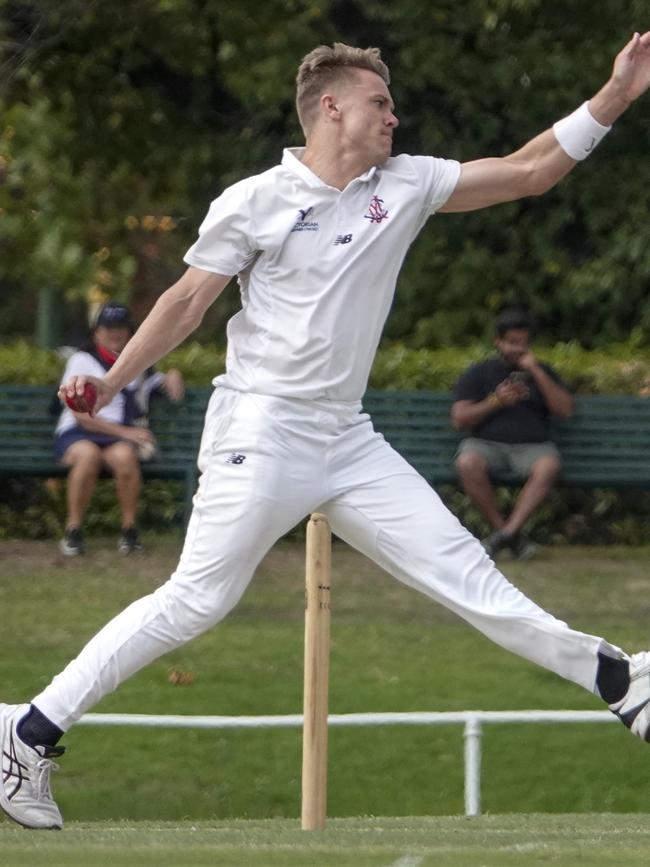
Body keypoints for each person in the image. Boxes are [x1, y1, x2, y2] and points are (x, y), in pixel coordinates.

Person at [2, 35, 650, 830]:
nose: (395, 115)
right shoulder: (255, 199)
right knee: (197, 600)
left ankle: (618, 680)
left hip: (348, 439)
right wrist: (110, 379)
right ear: (331, 107)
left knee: (468, 577)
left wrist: (616, 95)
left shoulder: (405, 184)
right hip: (261, 427)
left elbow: (530, 169)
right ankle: (25, 733)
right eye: (381, 102)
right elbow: (184, 303)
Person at [53, 301, 185, 556]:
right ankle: (74, 530)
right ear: (96, 332)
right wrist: (125, 433)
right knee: (87, 456)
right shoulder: (82, 361)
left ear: (131, 332)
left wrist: (173, 374)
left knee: (126, 458)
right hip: (80, 433)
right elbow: (80, 415)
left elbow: (163, 385)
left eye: (121, 328)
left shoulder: (138, 363)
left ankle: (129, 531)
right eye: (108, 327)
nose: (115, 333)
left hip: (115, 439)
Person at [451, 308, 574, 560]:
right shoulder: (481, 372)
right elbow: (459, 418)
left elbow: (565, 411)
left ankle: (502, 537)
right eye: (512, 343)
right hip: (486, 445)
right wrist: (496, 400)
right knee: (467, 462)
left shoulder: (543, 372)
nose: (518, 349)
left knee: (549, 466)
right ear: (499, 342)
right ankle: (508, 534)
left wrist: (537, 372)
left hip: (533, 447)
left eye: (524, 344)